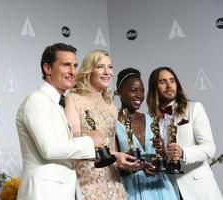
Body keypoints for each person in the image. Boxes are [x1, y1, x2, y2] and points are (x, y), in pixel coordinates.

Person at [16, 43, 104, 200]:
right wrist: (89, 142)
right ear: (47, 68)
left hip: (61, 191)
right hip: (43, 193)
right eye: (66, 65)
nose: (72, 72)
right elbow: (49, 148)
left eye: (75, 66)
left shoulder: (56, 103)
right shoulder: (37, 100)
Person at [65, 50, 139, 200]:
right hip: (87, 181)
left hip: (114, 181)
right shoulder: (73, 99)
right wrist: (114, 155)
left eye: (110, 67)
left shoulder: (111, 106)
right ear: (89, 70)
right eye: (100, 67)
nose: (107, 72)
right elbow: (74, 143)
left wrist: (124, 160)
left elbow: (112, 147)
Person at [146, 66, 223, 200]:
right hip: (169, 190)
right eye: (163, 82)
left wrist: (183, 153)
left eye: (172, 80)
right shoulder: (150, 119)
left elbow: (210, 149)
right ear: (154, 87)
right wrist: (161, 154)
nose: (169, 85)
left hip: (200, 190)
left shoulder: (194, 108)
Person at [115, 68, 178, 200]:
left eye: (142, 91)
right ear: (120, 92)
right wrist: (138, 167)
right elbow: (114, 167)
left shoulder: (151, 119)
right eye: (134, 90)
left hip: (161, 187)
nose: (140, 95)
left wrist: (161, 151)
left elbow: (163, 159)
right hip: (134, 189)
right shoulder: (113, 123)